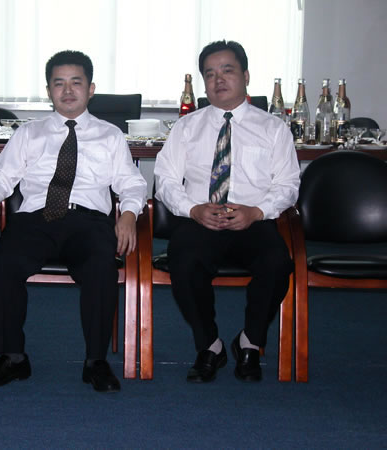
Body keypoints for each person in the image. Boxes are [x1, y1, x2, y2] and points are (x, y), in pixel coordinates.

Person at [0, 50, 147, 393]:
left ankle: (96, 361)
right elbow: (1, 176)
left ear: (90, 89)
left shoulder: (110, 135)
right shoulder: (29, 133)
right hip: (35, 220)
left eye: (76, 82)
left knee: (101, 267)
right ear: (48, 90)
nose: (67, 90)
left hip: (88, 221)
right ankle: (13, 357)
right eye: (58, 83)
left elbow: (131, 183)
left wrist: (127, 214)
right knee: (2, 264)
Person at [154, 40, 300, 383]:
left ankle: (249, 342)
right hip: (201, 219)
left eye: (227, 70)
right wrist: (192, 209)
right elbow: (165, 179)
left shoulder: (273, 128)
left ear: (246, 76)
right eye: (210, 74)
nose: (218, 79)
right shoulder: (186, 127)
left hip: (253, 220)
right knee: (183, 260)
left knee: (277, 263)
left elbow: (288, 185)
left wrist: (257, 211)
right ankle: (210, 346)